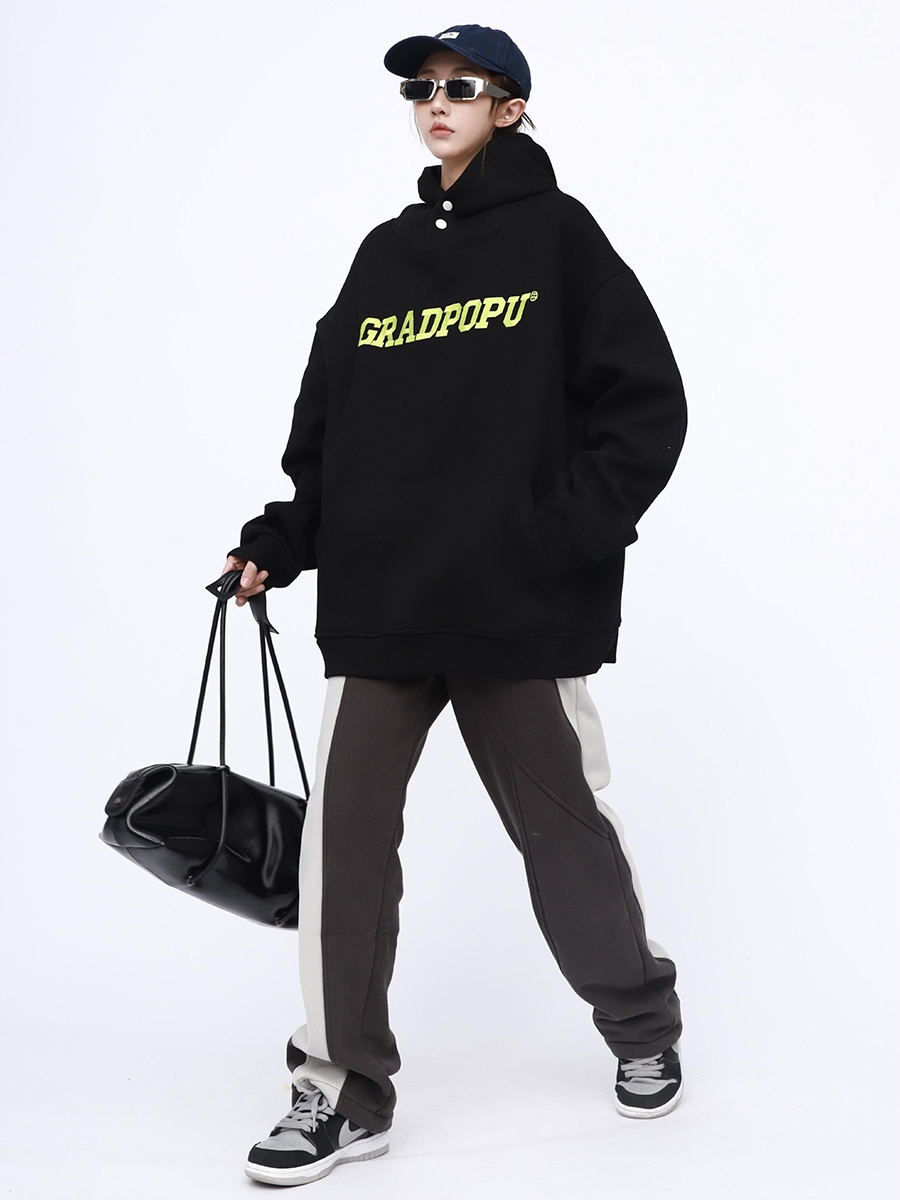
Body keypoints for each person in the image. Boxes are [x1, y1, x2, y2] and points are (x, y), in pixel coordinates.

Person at [220, 24, 689, 1188]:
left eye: (461, 86)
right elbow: (327, 435)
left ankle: (640, 1024)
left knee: (564, 835)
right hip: (383, 603)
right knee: (342, 847)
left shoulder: (561, 239)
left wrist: (554, 538)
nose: (436, 102)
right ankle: (342, 1087)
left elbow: (648, 408)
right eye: (421, 88)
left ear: (510, 107)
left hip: (512, 608)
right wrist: (282, 540)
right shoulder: (382, 259)